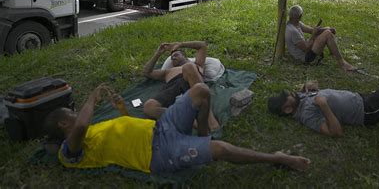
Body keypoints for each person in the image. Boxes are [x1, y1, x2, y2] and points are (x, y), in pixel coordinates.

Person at [43, 83, 311, 174]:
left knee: (201, 91)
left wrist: (123, 110)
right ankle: (278, 158)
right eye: (73, 114)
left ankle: (204, 132)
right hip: (159, 153)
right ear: (63, 124)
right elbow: (80, 127)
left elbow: (120, 132)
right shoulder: (69, 152)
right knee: (219, 149)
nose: (79, 115)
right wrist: (93, 97)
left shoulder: (90, 133)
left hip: (161, 127)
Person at [267, 77, 379, 139]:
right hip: (365, 111)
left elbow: (307, 91)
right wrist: (324, 106)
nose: (291, 94)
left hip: (361, 99)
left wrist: (308, 85)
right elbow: (336, 132)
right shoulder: (306, 115)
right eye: (287, 97)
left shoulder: (299, 99)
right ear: (288, 110)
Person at [142, 41, 219, 131]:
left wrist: (181, 44)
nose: (173, 57)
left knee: (188, 67)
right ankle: (191, 121)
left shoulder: (196, 65)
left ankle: (211, 121)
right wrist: (158, 54)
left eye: (176, 54)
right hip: (171, 89)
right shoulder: (167, 72)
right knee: (148, 107)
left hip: (191, 86)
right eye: (171, 57)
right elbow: (146, 72)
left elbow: (202, 45)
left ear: (184, 56)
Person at [285, 5, 358, 72]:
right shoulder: (292, 31)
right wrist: (314, 35)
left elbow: (311, 30)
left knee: (327, 32)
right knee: (327, 34)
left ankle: (334, 53)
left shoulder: (295, 22)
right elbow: (306, 48)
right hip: (306, 58)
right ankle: (342, 63)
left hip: (307, 51)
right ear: (300, 16)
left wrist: (327, 28)